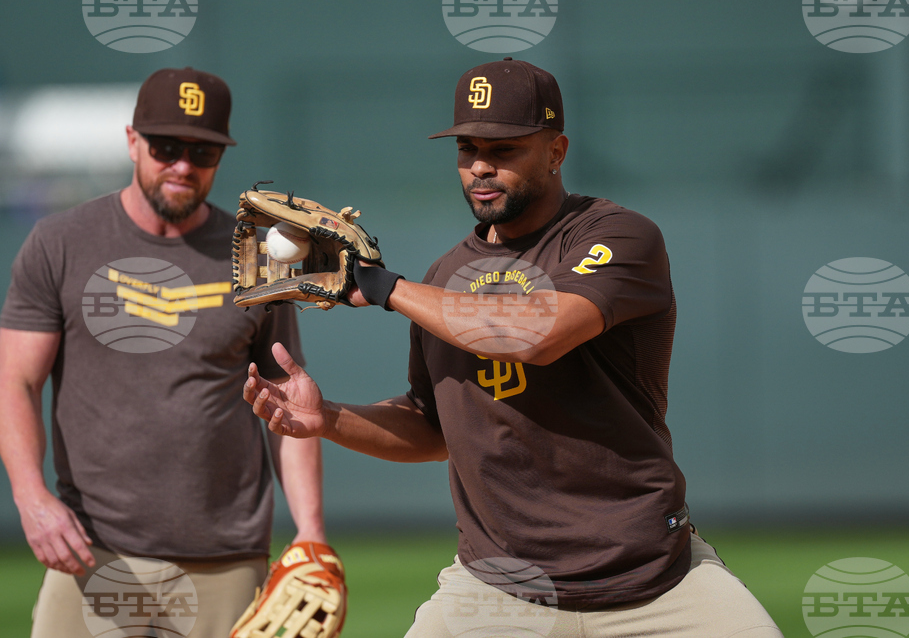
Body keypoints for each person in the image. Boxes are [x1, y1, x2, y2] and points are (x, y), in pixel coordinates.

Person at [244, 58, 782, 637]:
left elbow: (538, 334)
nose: (480, 166)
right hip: (496, 587)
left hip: (653, 581)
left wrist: (386, 288)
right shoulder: (442, 278)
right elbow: (431, 427)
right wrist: (327, 418)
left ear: (556, 151)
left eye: (504, 149)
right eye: (467, 148)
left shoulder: (617, 235)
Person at [0, 67, 326, 638]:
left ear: (220, 157)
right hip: (93, 554)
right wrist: (31, 497)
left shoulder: (255, 257)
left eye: (201, 151)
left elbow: (287, 410)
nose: (182, 165)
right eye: (166, 146)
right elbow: (15, 382)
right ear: (132, 141)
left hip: (225, 560)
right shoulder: (60, 242)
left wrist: (312, 532)